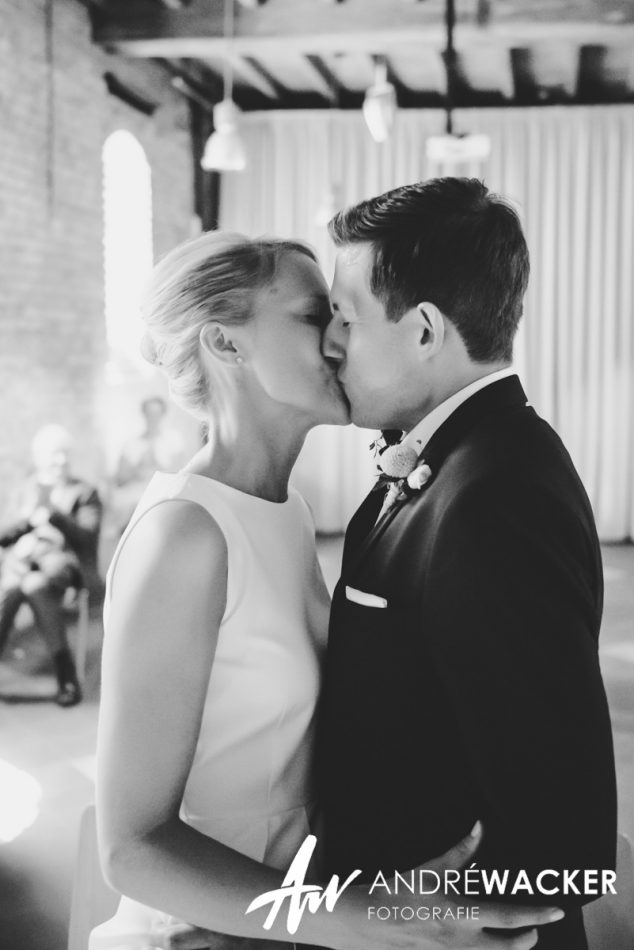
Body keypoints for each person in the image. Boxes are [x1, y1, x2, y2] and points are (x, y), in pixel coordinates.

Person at [90, 231, 561, 950]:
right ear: (227, 344)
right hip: (204, 933)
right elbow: (132, 847)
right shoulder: (184, 535)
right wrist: (361, 921)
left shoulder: (289, 508)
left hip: (297, 914)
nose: (342, 340)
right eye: (316, 317)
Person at [317, 177, 617, 949]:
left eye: (346, 318)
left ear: (422, 330)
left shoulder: (497, 494)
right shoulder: (468, 457)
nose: (331, 342)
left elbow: (565, 812)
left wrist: (428, 917)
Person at [0, 424, 102, 707]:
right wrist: (28, 524)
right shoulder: (26, 489)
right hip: (24, 568)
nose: (62, 460)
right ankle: (67, 677)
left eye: (66, 454)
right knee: (22, 585)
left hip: (64, 570)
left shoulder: (85, 492)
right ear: (39, 457)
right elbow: (4, 535)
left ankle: (67, 677)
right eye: (56, 454)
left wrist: (54, 513)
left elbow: (86, 540)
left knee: (27, 582)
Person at [111, 396, 187, 534]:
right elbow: (120, 478)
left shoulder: (173, 441)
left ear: (162, 415)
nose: (153, 418)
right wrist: (138, 467)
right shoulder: (131, 444)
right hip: (135, 495)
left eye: (156, 414)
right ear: (144, 414)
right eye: (149, 413)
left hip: (165, 492)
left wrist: (158, 466)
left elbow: (182, 473)